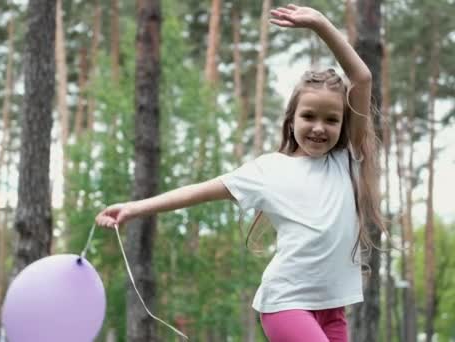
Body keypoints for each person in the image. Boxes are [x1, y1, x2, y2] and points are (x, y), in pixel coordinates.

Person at [96, 4, 386, 342]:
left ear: (344, 124)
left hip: (333, 310)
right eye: (309, 116)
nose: (319, 128)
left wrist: (321, 25)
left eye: (331, 120)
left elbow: (362, 77)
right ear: (291, 121)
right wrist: (134, 208)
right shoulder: (269, 171)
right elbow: (199, 190)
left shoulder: (346, 158)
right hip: (286, 303)